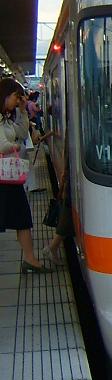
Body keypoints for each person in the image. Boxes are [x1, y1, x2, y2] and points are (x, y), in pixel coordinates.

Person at [0, 77, 48, 273]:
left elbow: (21, 132)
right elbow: (2, 145)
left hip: (8, 179)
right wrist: (16, 147)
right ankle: (30, 260)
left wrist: (22, 111)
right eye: (15, 97)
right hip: (3, 179)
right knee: (22, 217)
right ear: (5, 95)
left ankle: (30, 259)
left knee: (23, 218)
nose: (17, 101)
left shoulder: (6, 118)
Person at [41, 142, 73, 265]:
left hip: (70, 177)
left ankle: (52, 248)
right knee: (68, 216)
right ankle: (51, 248)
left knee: (68, 215)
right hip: (71, 180)